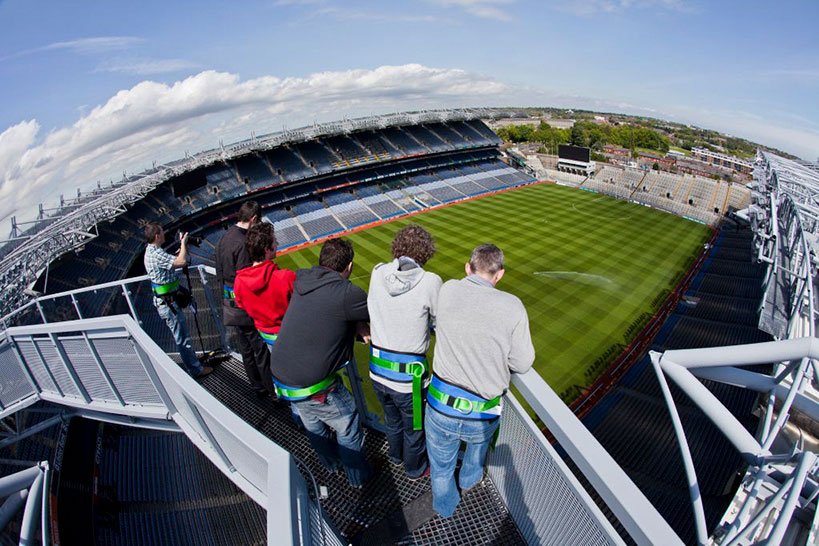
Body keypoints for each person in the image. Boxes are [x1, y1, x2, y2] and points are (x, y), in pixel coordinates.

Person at [425, 243, 535, 518]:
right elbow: (522, 362)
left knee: (440, 469)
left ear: (467, 268)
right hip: (482, 413)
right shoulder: (513, 306)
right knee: (474, 459)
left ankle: (445, 511)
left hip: (440, 406)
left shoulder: (448, 288)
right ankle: (471, 492)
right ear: (500, 275)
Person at [270, 238, 372, 487]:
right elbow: (377, 312)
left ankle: (330, 466)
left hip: (282, 377)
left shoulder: (302, 280)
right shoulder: (348, 292)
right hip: (312, 384)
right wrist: (359, 325)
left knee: (314, 426)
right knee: (347, 424)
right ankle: (357, 479)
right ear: (348, 266)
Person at [367, 224, 441, 479]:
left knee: (392, 421)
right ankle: (415, 468)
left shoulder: (378, 273)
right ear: (425, 252)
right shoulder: (431, 282)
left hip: (378, 373)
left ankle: (396, 457)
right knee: (414, 428)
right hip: (409, 381)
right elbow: (439, 322)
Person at [214, 201, 273, 396]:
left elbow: (220, 272)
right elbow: (246, 277)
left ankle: (256, 386)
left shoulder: (224, 238)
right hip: (243, 306)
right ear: (254, 219)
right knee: (260, 349)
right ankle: (271, 391)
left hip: (230, 304)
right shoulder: (243, 243)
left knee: (246, 349)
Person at [143, 222, 213, 379]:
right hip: (169, 304)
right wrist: (183, 243)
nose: (164, 234)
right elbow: (181, 262)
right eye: (162, 231)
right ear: (157, 236)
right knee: (183, 338)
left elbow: (170, 263)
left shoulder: (152, 251)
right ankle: (195, 369)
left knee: (182, 336)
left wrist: (180, 251)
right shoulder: (156, 253)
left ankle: (193, 362)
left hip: (168, 301)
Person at [233, 222, 296, 356]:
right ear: (267, 249)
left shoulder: (239, 282)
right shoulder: (285, 277)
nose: (277, 244)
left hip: (267, 337)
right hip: (291, 335)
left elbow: (242, 305)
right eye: (274, 241)